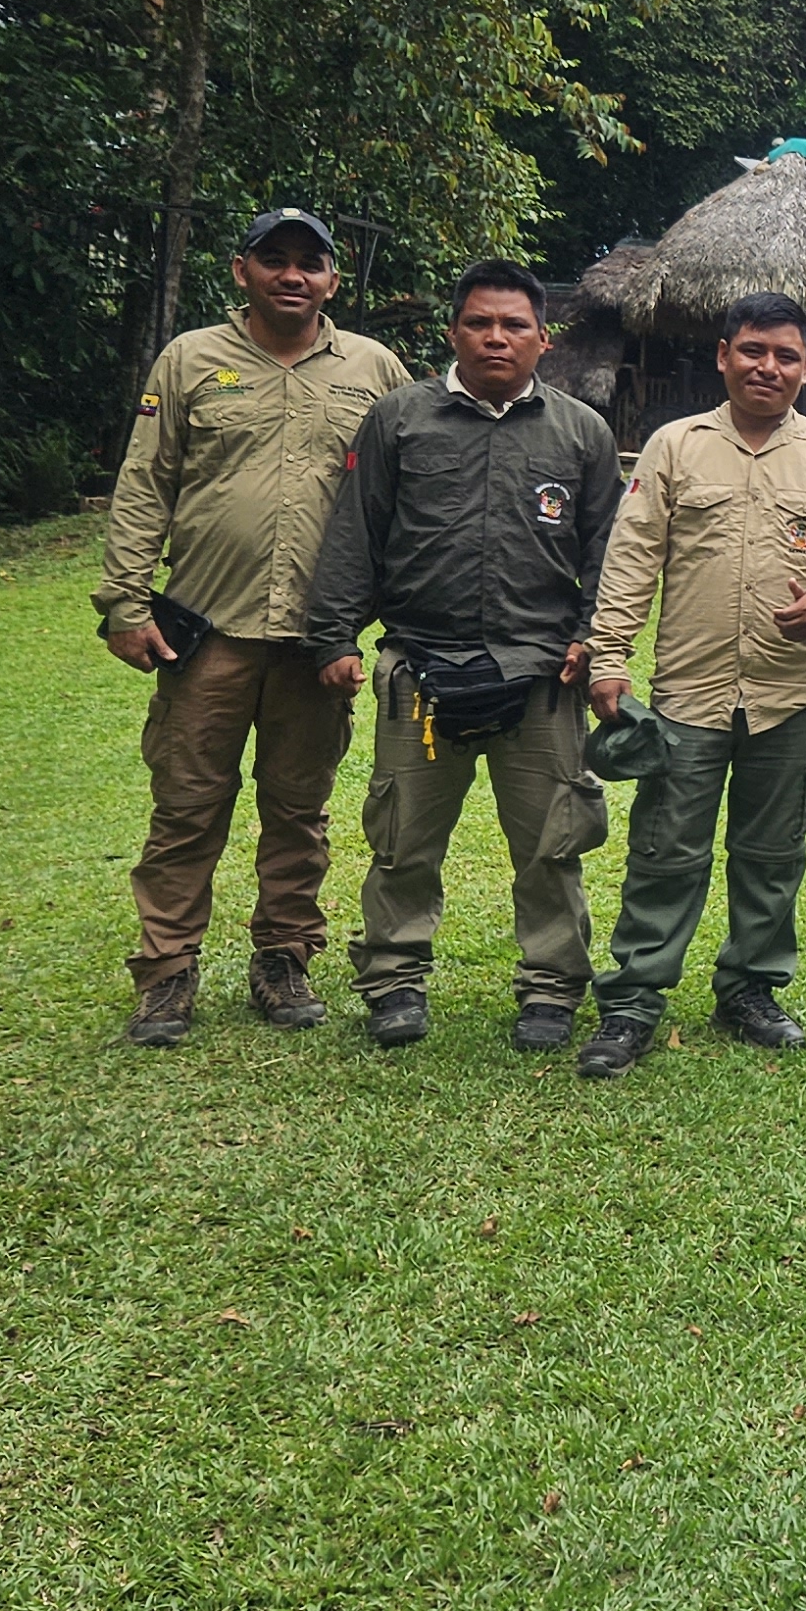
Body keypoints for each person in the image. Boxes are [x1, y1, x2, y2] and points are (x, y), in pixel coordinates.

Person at [94, 207, 416, 1046]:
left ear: (333, 280)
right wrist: (124, 605)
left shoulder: (374, 369)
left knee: (299, 808)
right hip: (208, 630)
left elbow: (408, 494)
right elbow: (144, 484)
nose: (292, 276)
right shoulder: (191, 360)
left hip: (319, 641)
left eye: (309, 263)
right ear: (242, 270)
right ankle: (165, 972)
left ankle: (283, 959)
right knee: (187, 805)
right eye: (273, 260)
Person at [305, 260, 622, 1052]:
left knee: (551, 845)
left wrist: (590, 636)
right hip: (421, 670)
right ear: (453, 333)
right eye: (480, 322)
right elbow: (356, 533)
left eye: (515, 325)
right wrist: (335, 638)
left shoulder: (581, 431)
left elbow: (610, 553)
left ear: (543, 340)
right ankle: (395, 981)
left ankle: (550, 989)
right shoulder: (399, 420)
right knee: (403, 840)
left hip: (543, 676)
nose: (496, 337)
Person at [576, 292, 806, 1078]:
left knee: (772, 851)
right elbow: (633, 557)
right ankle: (634, 999)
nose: (768, 367)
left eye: (786, 356)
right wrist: (609, 655)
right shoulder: (675, 447)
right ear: (723, 355)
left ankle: (750, 987)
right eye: (753, 350)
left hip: (787, 695)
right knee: (665, 849)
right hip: (688, 692)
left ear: (805, 369)